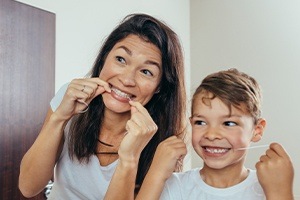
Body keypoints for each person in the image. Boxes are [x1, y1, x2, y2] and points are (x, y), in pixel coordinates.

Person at [18, 13, 187, 200]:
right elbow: (28, 187)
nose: (127, 79)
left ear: (159, 87)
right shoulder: (71, 97)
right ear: (105, 58)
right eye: (121, 59)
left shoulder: (163, 144)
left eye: (146, 71)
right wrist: (59, 118)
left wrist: (130, 158)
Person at [137, 68, 294, 200]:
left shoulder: (270, 187)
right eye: (201, 122)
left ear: (257, 130)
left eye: (229, 123)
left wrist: (280, 193)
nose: (211, 135)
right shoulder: (175, 187)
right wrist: (155, 174)